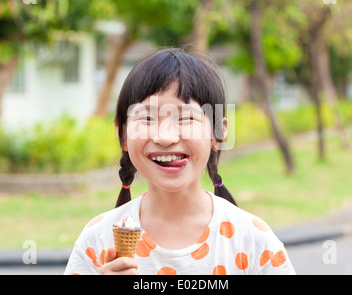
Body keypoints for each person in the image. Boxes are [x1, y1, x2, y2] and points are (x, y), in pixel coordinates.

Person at [64, 48, 295, 275]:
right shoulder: (97, 240)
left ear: (218, 133)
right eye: (146, 118)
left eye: (186, 118)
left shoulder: (254, 242)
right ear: (122, 135)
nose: (166, 137)